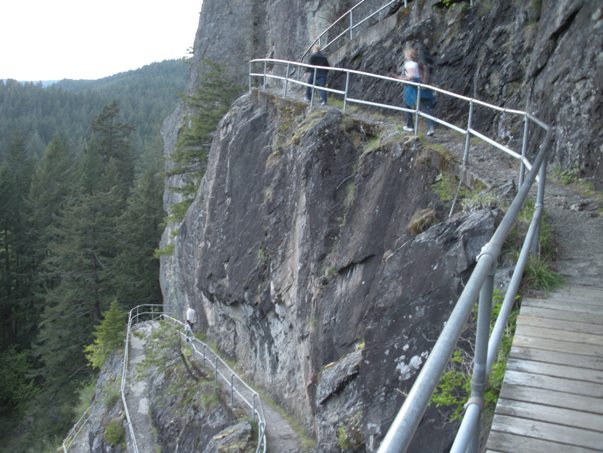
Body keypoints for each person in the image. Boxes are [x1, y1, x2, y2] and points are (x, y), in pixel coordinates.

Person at [394, 46, 436, 136]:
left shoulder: (408, 64)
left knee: (407, 104)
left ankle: (410, 126)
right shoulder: (416, 64)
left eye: (405, 54)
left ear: (408, 55)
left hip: (411, 85)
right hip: (419, 83)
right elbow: (421, 77)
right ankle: (431, 127)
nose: (404, 55)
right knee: (424, 106)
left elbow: (411, 76)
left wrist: (400, 78)